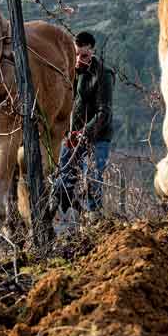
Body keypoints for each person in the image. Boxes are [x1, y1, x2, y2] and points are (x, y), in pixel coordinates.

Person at [56, 31, 114, 213]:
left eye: (85, 55)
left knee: (93, 180)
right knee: (62, 182)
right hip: (72, 135)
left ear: (92, 51)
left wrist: (83, 134)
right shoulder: (69, 72)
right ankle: (71, 220)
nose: (80, 59)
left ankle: (94, 221)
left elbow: (104, 112)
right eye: (76, 55)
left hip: (98, 136)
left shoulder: (103, 73)